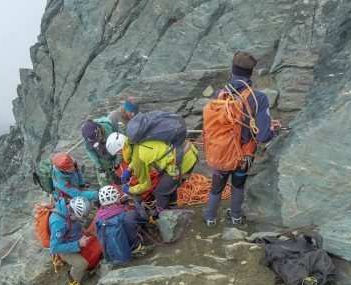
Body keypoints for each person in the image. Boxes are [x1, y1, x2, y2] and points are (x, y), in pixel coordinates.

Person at [202, 51, 281, 227]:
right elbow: (262, 136)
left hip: (220, 152)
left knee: (217, 186)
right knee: (238, 185)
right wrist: (273, 129)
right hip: (242, 156)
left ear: (233, 70)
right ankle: (236, 217)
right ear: (251, 72)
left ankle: (210, 217)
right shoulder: (258, 98)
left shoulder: (219, 94)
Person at [105, 132, 198, 213]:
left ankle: (160, 213)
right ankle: (173, 205)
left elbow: (145, 185)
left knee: (160, 192)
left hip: (182, 160)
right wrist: (129, 169)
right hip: (184, 149)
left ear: (120, 150)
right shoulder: (135, 141)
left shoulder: (138, 159)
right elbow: (139, 154)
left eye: (118, 153)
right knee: (168, 185)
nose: (119, 155)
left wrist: (128, 190)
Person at [49, 197, 92, 285]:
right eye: (77, 217)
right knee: (81, 264)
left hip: (74, 239)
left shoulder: (68, 206)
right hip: (63, 248)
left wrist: (83, 234)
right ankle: (72, 279)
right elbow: (54, 247)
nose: (78, 219)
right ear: (71, 212)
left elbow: (75, 225)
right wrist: (78, 244)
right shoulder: (58, 223)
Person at [95, 185, 148, 260]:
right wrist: (137, 204)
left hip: (115, 252)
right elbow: (145, 218)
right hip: (135, 249)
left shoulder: (98, 219)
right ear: (117, 198)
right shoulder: (130, 214)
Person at [81, 117, 120, 187]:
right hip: (103, 160)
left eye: (97, 139)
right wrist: (99, 167)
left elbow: (121, 148)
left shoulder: (112, 129)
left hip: (117, 155)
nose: (97, 143)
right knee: (105, 186)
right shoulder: (87, 136)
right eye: (93, 143)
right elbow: (89, 150)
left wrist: (117, 163)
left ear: (99, 130)